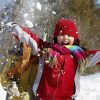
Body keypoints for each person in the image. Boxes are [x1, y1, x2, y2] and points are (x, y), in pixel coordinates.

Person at [5, 18, 100, 100]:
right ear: (56, 36)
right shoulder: (46, 50)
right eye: (62, 34)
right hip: (42, 98)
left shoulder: (80, 56)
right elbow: (31, 39)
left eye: (70, 35)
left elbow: (97, 56)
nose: (66, 37)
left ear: (74, 38)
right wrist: (16, 28)